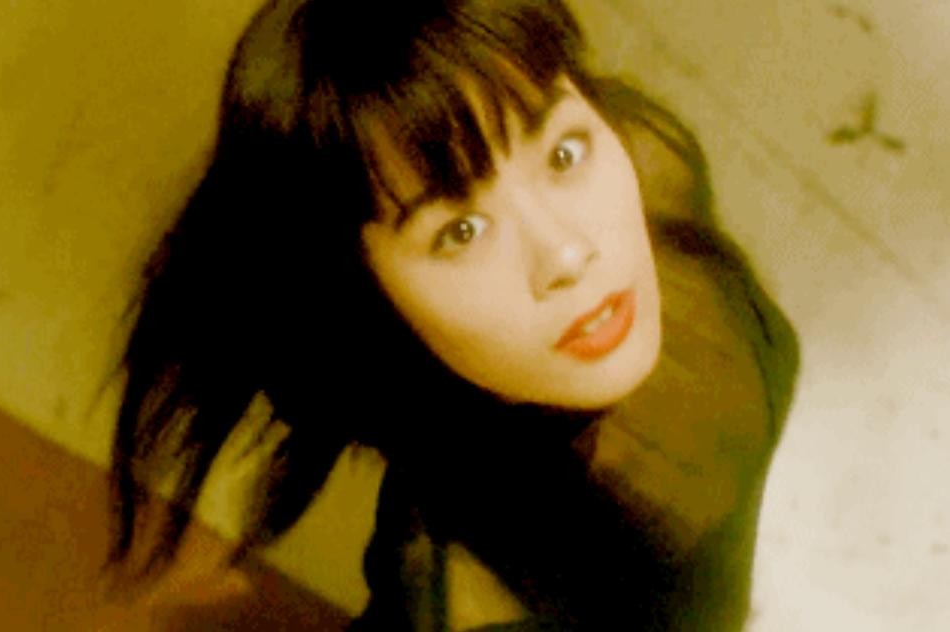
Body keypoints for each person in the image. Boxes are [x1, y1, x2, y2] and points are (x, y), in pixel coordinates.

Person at [106, 0, 801, 629]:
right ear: (371, 301)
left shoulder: (652, 162)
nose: (566, 252)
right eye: (460, 231)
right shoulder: (478, 602)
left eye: (562, 154)